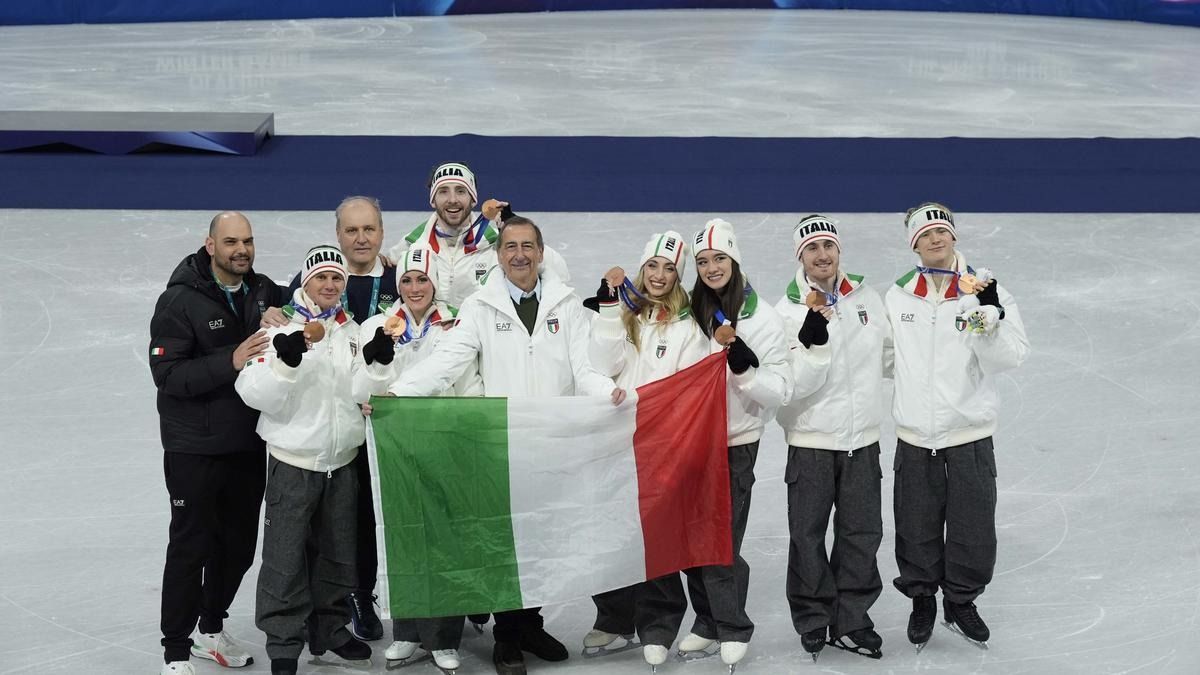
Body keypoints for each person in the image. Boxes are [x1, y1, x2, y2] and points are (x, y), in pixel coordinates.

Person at [387, 216, 623, 675]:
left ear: (541, 252)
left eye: (527, 246)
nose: (519, 254)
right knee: (505, 542)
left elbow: (584, 367)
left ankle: (529, 624)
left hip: (550, 441)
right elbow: (448, 361)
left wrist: (607, 392)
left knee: (543, 537)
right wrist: (399, 393)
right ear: (498, 255)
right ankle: (508, 637)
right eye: (510, 246)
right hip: (502, 442)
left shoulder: (566, 304)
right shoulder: (480, 306)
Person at [885, 202, 1029, 651]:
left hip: (969, 433)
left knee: (973, 527)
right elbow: (887, 357)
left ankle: (961, 601)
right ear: (914, 244)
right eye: (925, 234)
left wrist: (989, 321)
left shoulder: (983, 289)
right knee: (915, 526)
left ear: (953, 237)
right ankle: (922, 599)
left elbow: (1011, 357)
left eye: (942, 231)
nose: (935, 239)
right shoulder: (898, 296)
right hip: (915, 434)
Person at [148, 211, 283, 675]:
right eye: (230, 242)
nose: (241, 250)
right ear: (210, 246)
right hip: (194, 448)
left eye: (247, 241)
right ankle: (175, 650)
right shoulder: (178, 300)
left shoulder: (262, 290)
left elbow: (312, 297)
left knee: (239, 547)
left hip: (246, 442)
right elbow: (167, 374)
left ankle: (210, 630)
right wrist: (232, 359)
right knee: (192, 546)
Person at [235, 245, 373, 675]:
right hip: (293, 461)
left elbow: (361, 389)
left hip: (342, 461)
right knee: (285, 558)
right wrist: (286, 364)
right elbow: (252, 393)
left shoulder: (352, 332)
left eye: (337, 278)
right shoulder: (279, 328)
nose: (329, 285)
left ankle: (330, 628)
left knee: (337, 553)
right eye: (321, 278)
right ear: (305, 282)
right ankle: (283, 641)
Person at [265, 196, 397, 641]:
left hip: (380, 415)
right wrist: (271, 314)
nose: (361, 238)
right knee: (325, 520)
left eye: (369, 229)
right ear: (338, 235)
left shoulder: (399, 277)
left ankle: (359, 594)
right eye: (351, 230)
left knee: (366, 516)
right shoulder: (316, 279)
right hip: (330, 423)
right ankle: (310, 608)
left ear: (382, 233)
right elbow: (285, 323)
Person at [581, 231, 710, 670]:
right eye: (653, 265)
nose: (659, 275)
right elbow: (600, 365)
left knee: (659, 535)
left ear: (678, 276)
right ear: (642, 268)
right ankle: (615, 619)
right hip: (617, 442)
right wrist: (610, 310)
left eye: (669, 268)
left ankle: (659, 625)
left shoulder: (689, 327)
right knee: (612, 532)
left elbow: (687, 388)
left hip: (664, 445)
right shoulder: (624, 312)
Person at [352, 246, 482, 673]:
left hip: (445, 446)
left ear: (434, 282)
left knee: (445, 542)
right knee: (402, 539)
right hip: (395, 448)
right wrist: (374, 368)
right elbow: (360, 391)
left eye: (422, 279)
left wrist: (467, 433)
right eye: (406, 280)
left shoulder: (457, 324)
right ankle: (406, 632)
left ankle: (443, 638)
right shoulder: (376, 326)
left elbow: (470, 384)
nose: (414, 288)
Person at [676, 219, 791, 670]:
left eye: (719, 258)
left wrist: (745, 372)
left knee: (722, 537)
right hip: (689, 439)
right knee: (691, 538)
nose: (711, 267)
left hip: (734, 440)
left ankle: (733, 626)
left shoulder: (762, 318)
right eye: (703, 261)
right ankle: (707, 621)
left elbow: (780, 389)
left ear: (735, 259)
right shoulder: (689, 310)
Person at [774, 216, 887, 661]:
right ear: (799, 256)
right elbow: (787, 385)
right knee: (807, 535)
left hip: (863, 439)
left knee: (862, 533)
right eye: (812, 248)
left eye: (828, 246)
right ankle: (812, 617)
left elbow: (890, 355)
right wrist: (808, 342)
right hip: (811, 440)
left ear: (839, 250)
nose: (822, 255)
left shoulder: (866, 298)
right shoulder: (785, 311)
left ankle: (852, 619)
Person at [386, 161, 570, 306]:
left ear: (473, 199)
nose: (452, 200)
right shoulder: (410, 246)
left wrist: (517, 231)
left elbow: (559, 272)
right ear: (433, 200)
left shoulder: (496, 242)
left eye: (461, 191)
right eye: (443, 192)